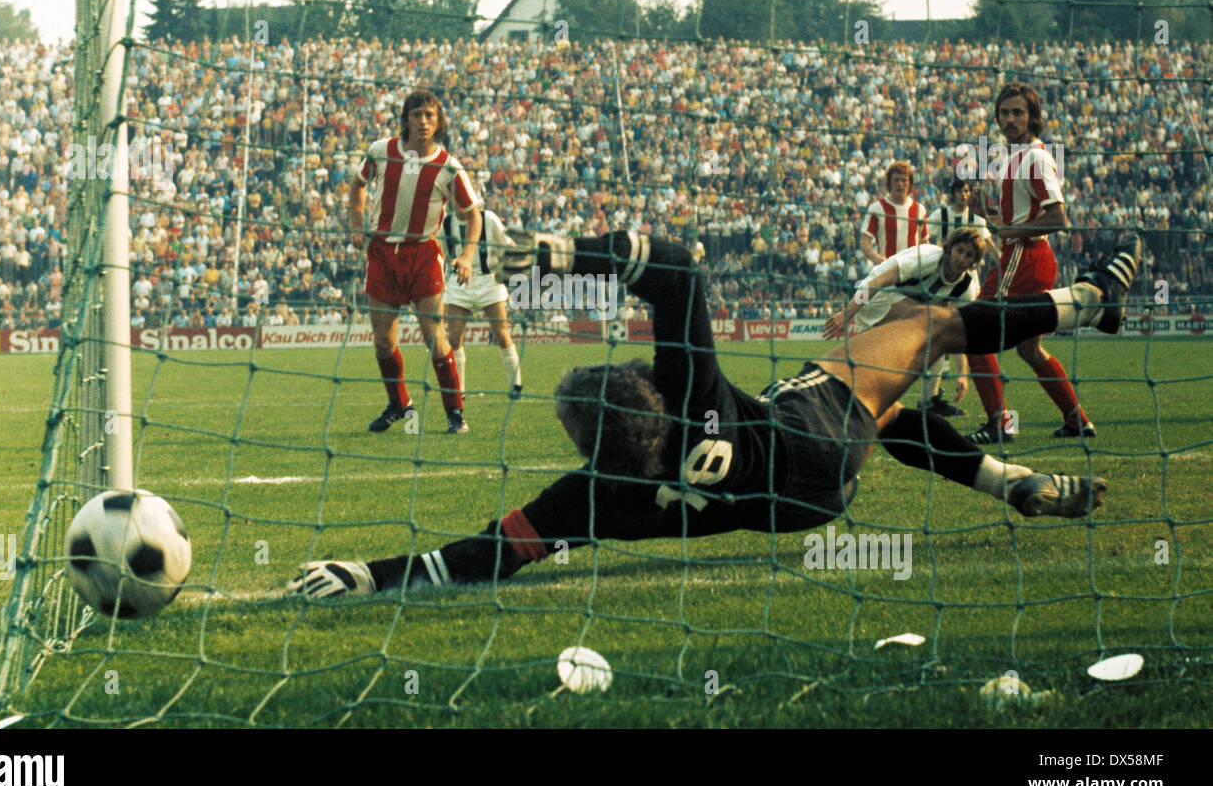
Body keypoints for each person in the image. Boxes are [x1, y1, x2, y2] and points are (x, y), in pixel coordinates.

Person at [287, 227, 1140, 599]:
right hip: (798, 434)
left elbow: (482, 555)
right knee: (927, 323)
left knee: (898, 419)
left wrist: (368, 573)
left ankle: (1012, 483)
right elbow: (679, 271)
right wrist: (554, 257)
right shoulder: (688, 394)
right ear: (648, 394)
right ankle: (1088, 301)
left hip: (800, 506)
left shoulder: (600, 496)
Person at [349, 89, 483, 434]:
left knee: (434, 337)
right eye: (416, 115)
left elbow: (473, 215)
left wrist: (467, 255)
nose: (422, 122)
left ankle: (455, 413)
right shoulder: (381, 151)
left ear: (438, 122)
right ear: (405, 118)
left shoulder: (449, 168)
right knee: (382, 341)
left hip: (423, 255)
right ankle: (400, 404)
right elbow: (357, 185)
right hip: (382, 254)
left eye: (429, 116)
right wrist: (356, 221)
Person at [966, 82, 1093, 444]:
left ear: (1032, 117)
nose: (1009, 119)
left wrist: (1008, 230)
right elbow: (1015, 218)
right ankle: (1077, 421)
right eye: (1004, 113)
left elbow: (1058, 218)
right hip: (1028, 256)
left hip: (1024, 257)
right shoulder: (1011, 156)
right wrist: (985, 212)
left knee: (974, 334)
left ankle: (999, 424)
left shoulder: (1036, 157)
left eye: (1018, 112)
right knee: (1029, 349)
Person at [826, 227, 988, 419]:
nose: (962, 258)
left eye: (969, 255)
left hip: (903, 304)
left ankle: (927, 401)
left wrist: (962, 374)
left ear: (975, 261)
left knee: (931, 340)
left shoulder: (967, 287)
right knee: (933, 331)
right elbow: (878, 282)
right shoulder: (928, 257)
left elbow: (960, 331)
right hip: (875, 294)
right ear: (949, 248)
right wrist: (847, 314)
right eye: (959, 250)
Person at [918, 180, 991, 417]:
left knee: (961, 329)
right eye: (961, 190)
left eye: (968, 190)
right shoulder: (941, 215)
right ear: (954, 193)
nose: (965, 194)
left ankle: (933, 397)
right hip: (940, 279)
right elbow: (925, 239)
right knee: (939, 333)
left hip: (965, 282)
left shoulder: (978, 221)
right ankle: (930, 398)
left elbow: (989, 246)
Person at [442, 206, 523, 400]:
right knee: (454, 338)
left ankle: (516, 385)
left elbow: (507, 243)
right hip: (459, 283)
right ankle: (458, 391)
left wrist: (512, 259)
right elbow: (446, 254)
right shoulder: (446, 223)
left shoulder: (489, 218)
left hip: (489, 281)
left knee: (502, 334)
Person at [860, 160, 928, 268]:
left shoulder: (920, 209)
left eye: (904, 180)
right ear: (889, 183)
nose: (900, 184)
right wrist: (879, 260)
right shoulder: (877, 208)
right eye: (896, 180)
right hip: (886, 273)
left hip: (912, 274)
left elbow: (924, 242)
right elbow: (865, 242)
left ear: (910, 183)